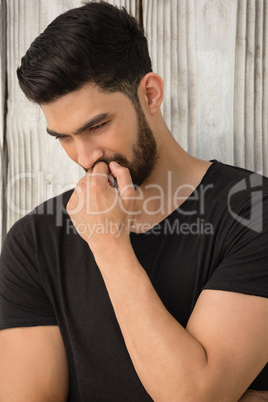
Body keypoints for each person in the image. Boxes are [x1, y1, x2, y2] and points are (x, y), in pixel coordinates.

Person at [0, 1, 267, 401]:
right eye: (65, 137)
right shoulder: (33, 241)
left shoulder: (252, 212)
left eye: (97, 126)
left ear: (150, 94)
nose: (85, 156)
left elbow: (194, 396)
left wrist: (109, 245)